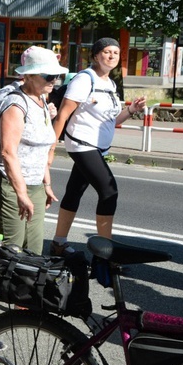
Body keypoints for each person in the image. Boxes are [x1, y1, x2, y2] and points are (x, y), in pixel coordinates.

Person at [49, 38, 147, 254]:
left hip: (98, 148)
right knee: (109, 190)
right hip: (82, 144)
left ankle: (58, 242)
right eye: (106, 52)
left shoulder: (110, 84)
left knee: (74, 191)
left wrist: (131, 110)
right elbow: (63, 115)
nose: (111, 56)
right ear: (95, 56)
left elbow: (112, 120)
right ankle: (106, 252)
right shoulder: (85, 80)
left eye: (115, 52)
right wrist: (51, 149)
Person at [0, 46, 63, 255]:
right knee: (13, 247)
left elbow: (42, 149)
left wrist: (46, 183)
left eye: (56, 75)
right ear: (28, 76)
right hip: (10, 183)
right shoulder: (15, 104)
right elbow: (8, 153)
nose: (54, 80)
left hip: (36, 183)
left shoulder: (42, 100)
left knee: (35, 248)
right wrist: (21, 193)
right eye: (48, 75)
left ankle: (27, 288)